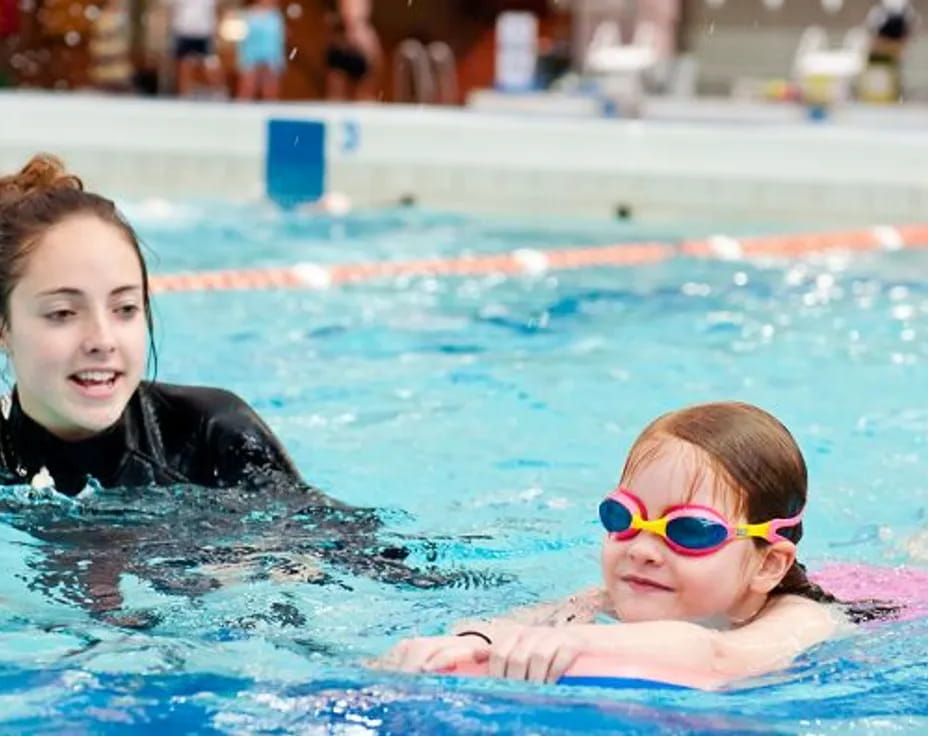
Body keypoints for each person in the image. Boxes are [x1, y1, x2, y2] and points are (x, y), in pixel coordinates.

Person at [379, 402, 843, 684]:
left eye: (689, 530)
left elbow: (718, 656)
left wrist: (580, 641)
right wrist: (462, 645)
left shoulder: (801, 618)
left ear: (768, 565)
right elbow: (501, 627)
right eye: (623, 517)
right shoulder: (595, 604)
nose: (641, 548)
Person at [325, 0, 382, 101]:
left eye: (355, 7)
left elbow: (374, 75)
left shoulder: (368, 37)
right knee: (336, 91)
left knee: (365, 95)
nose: (351, 11)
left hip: (362, 64)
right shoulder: (336, 37)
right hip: (342, 54)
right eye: (347, 7)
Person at [166, 0, 225, 97]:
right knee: (184, 64)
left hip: (204, 32)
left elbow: (217, 9)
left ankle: (219, 93)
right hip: (183, 31)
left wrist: (217, 29)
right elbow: (171, 10)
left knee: (210, 63)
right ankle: (184, 95)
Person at [236, 0, 286, 101]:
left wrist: (279, 60)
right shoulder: (248, 15)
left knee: (270, 89)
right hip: (250, 54)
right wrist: (242, 58)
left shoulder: (276, 16)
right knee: (247, 87)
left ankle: (271, 110)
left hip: (271, 55)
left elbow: (279, 39)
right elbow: (242, 39)